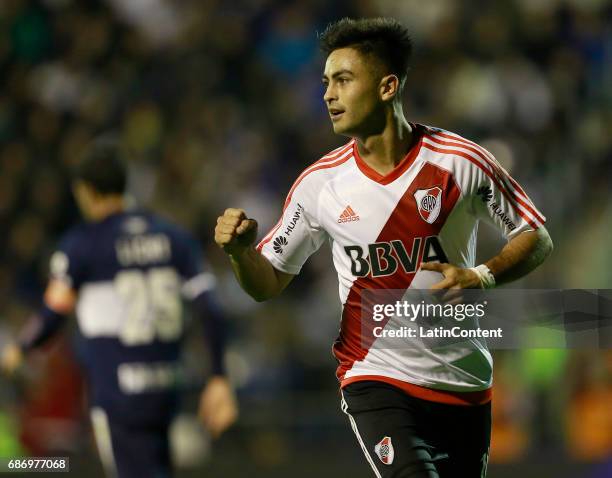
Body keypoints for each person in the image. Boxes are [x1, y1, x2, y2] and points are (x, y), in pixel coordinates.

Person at [214, 17, 553, 478]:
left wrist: (482, 275)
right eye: (326, 82)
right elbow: (267, 282)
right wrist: (239, 253)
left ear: (388, 85)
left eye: (344, 80)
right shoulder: (319, 184)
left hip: (464, 380)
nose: (328, 94)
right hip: (375, 378)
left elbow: (535, 235)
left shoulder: (461, 161)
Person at [1, 140, 237, 478]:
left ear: (84, 192)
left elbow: (53, 312)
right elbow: (210, 307)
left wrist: (21, 347)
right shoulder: (174, 238)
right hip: (165, 386)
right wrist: (218, 377)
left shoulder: (82, 245)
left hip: (118, 391)